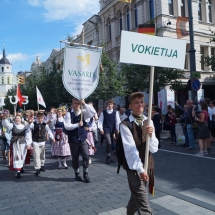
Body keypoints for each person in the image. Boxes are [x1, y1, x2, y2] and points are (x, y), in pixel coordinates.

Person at [120, 92, 158, 215]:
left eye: (141, 101)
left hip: (149, 164)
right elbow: (130, 149)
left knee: (137, 194)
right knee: (143, 202)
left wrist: (151, 136)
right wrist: (140, 170)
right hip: (134, 167)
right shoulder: (125, 125)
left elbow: (154, 148)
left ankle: (129, 212)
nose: (140, 104)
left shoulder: (149, 121)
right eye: (136, 102)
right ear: (130, 106)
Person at [64, 98, 96, 183]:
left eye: (78, 103)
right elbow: (67, 126)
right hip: (73, 139)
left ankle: (85, 174)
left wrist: (85, 104)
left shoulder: (83, 112)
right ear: (72, 104)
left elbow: (93, 112)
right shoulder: (68, 114)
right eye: (75, 103)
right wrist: (77, 125)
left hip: (82, 138)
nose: (77, 105)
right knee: (75, 157)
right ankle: (77, 174)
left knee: (86, 156)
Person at [2, 114, 32, 178]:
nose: (17, 119)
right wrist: (4, 118)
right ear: (14, 119)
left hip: (22, 143)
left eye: (19, 118)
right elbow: (6, 125)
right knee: (16, 157)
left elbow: (28, 135)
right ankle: (18, 171)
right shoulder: (12, 125)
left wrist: (28, 144)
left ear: (21, 119)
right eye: (16, 118)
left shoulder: (24, 126)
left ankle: (21, 167)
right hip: (15, 143)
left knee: (22, 156)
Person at [27, 112, 55, 176]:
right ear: (36, 118)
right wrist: (29, 122)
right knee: (36, 155)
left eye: (41, 118)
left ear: (43, 118)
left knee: (42, 154)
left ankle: (42, 165)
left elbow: (49, 131)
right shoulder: (33, 124)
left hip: (42, 141)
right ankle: (37, 168)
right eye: (39, 118)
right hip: (35, 141)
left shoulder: (45, 124)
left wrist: (52, 138)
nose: (40, 119)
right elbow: (28, 127)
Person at [98, 99, 121, 164]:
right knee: (109, 142)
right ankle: (108, 157)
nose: (110, 105)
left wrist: (118, 129)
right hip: (106, 129)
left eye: (111, 104)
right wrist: (101, 129)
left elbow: (117, 121)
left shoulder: (115, 112)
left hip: (112, 129)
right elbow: (100, 121)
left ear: (113, 105)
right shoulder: (104, 112)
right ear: (107, 105)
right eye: (109, 104)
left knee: (112, 143)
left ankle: (109, 156)